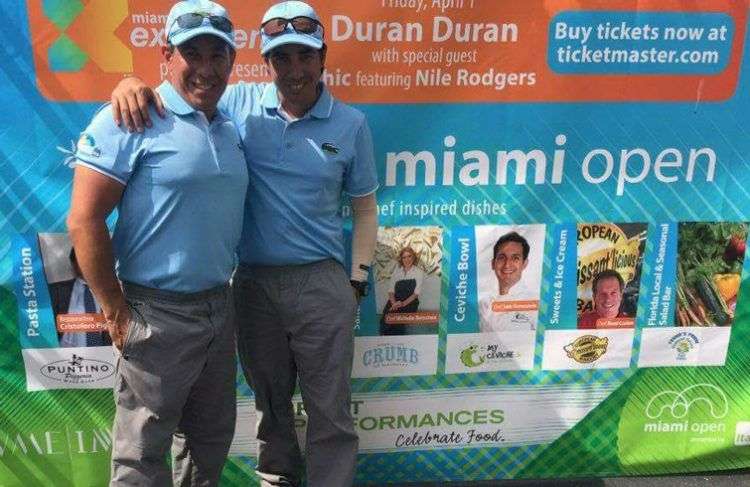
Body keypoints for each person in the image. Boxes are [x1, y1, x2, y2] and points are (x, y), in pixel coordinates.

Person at [111, 2, 379, 486]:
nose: (294, 70)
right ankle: (276, 479)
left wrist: (357, 279)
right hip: (251, 284)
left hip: (322, 280)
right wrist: (131, 85)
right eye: (282, 58)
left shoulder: (351, 124)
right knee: (270, 402)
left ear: (323, 57)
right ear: (267, 62)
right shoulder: (237, 104)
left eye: (304, 56)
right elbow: (180, 93)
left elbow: (364, 207)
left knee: (330, 408)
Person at [66, 1, 247, 485]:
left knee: (208, 446)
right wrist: (113, 307)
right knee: (142, 458)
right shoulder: (130, 117)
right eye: (193, 54)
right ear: (166, 54)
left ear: (232, 60)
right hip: (155, 313)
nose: (206, 68)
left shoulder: (230, 125)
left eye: (218, 54)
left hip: (218, 307)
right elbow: (84, 220)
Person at [50, 247, 112, 347]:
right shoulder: (55, 291)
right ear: (74, 263)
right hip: (64, 358)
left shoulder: (114, 293)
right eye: (84, 259)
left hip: (105, 358)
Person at [478, 231, 539, 332]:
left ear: (524, 264)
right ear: (493, 263)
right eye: (502, 258)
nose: (507, 265)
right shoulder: (482, 304)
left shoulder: (536, 302)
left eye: (515, 258)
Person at [380, 246, 424, 335]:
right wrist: (394, 303)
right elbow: (391, 291)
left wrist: (402, 304)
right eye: (404, 257)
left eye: (409, 256)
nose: (407, 259)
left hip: (410, 302)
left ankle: (398, 340)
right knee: (386, 317)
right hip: (395, 300)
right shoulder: (397, 272)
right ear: (401, 259)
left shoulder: (419, 272)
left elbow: (416, 294)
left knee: (398, 319)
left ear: (413, 257)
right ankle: (386, 339)